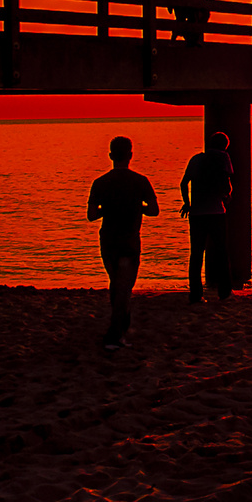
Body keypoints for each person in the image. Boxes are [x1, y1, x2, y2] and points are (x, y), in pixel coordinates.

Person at [87, 135, 160, 351]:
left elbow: (91, 215)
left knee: (116, 282)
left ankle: (121, 324)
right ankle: (115, 334)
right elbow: (154, 210)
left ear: (110, 156)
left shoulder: (100, 183)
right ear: (130, 155)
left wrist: (107, 209)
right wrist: (138, 208)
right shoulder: (140, 181)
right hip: (129, 239)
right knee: (124, 287)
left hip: (108, 239)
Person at [180, 130, 235, 302]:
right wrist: (226, 196)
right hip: (217, 212)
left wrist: (187, 203)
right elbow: (227, 186)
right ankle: (225, 293)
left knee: (196, 253)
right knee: (221, 252)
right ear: (225, 146)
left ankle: (195, 294)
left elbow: (183, 183)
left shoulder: (196, 159)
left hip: (196, 213)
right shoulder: (223, 157)